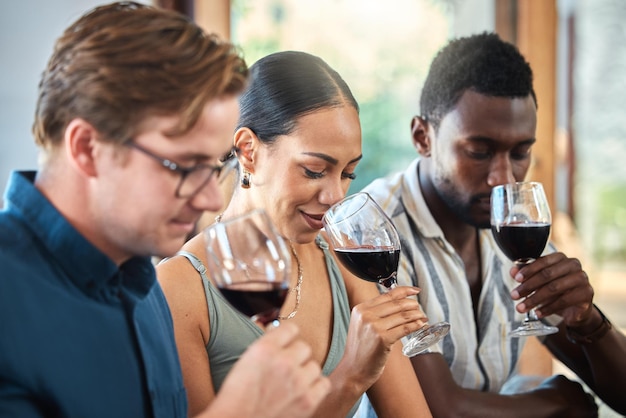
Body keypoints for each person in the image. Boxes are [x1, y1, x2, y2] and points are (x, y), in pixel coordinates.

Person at [0, 3, 330, 418]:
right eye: (186, 167)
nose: (211, 199)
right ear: (87, 149)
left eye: (215, 166)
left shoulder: (145, 287)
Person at [361, 32, 626, 417]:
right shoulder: (376, 238)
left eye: (521, 153)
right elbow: (439, 410)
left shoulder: (516, 227)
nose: (504, 178)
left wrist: (589, 321)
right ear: (423, 137)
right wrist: (553, 404)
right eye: (479, 152)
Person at [156, 50, 433, 418]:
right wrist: (351, 377)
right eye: (315, 170)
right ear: (248, 151)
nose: (335, 196)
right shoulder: (180, 287)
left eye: (347, 173)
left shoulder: (341, 258)